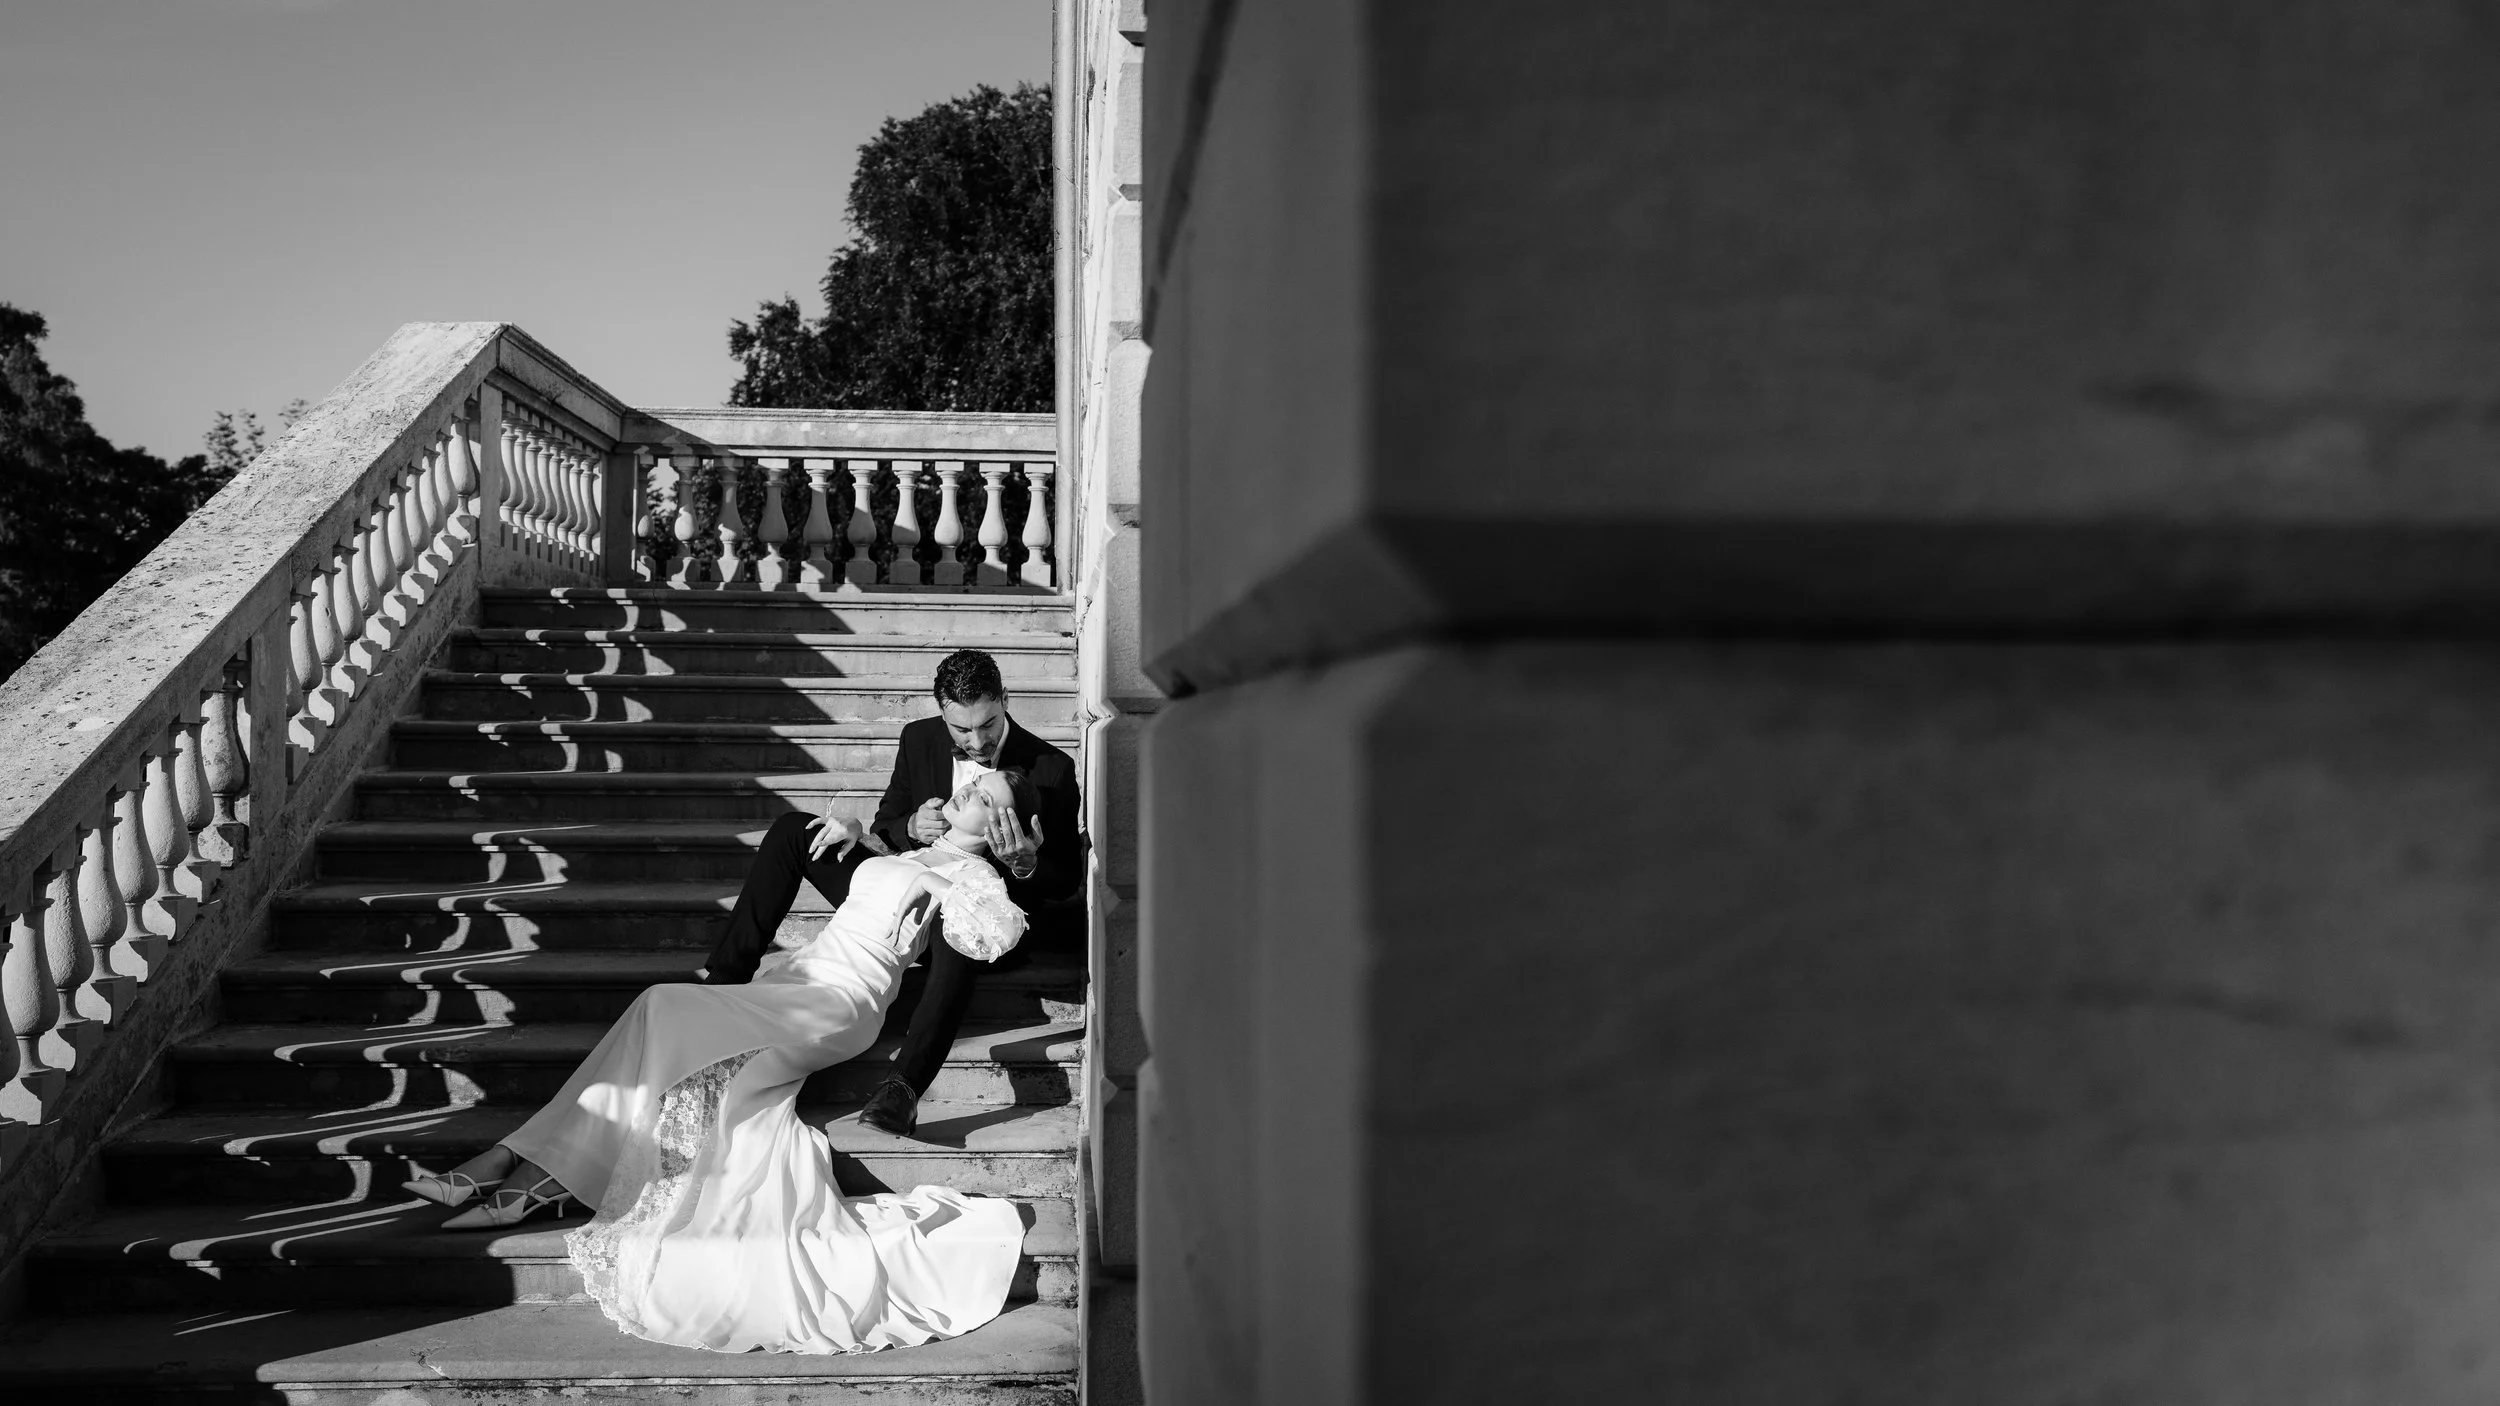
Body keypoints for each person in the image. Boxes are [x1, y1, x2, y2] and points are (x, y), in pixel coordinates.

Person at [399, 769, 1039, 1355]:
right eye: (976, 783)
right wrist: (864, 839)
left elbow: (999, 933)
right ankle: (524, 1165)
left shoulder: (977, 880)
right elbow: (873, 883)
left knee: (664, 1008)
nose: (970, 790)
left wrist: (949, 880)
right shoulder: (906, 849)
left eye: (988, 799)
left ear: (1001, 827)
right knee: (664, 1021)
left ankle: (524, 1168)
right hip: (799, 979)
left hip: (842, 1001)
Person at [700, 648, 1086, 1137]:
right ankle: (726, 978)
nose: (976, 741)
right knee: (796, 830)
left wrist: (1025, 865)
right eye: (961, 730)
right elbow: (886, 824)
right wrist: (911, 827)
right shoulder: (918, 739)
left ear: (1005, 700)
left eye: (988, 724)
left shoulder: (1052, 769)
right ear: (941, 714)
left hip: (975, 914)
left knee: (958, 915)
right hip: (901, 883)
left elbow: (1066, 880)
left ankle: (903, 1088)